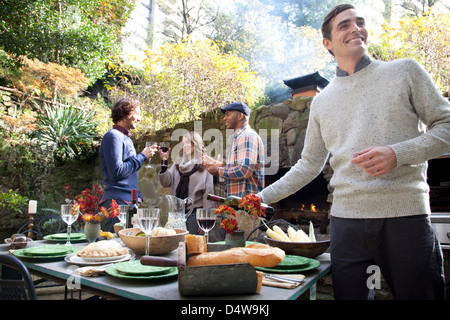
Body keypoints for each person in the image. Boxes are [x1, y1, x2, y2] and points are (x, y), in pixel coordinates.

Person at [257, 4, 450, 300]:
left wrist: (398, 153)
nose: (355, 29)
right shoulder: (322, 102)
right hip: (347, 226)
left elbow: (446, 127)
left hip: (406, 219)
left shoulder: (406, 71)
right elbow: (308, 165)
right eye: (344, 25)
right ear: (328, 43)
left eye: (359, 22)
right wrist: (259, 199)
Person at [99, 97, 157, 232]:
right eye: (137, 113)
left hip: (128, 203)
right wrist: (142, 156)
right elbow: (116, 172)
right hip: (117, 204)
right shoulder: (113, 136)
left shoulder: (127, 139)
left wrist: (137, 196)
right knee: (115, 249)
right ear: (126, 113)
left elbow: (128, 175)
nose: (139, 118)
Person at [202, 101, 265, 197]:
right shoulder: (237, 138)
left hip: (246, 206)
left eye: (228, 114)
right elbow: (239, 169)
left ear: (240, 116)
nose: (224, 118)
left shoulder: (247, 136)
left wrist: (218, 170)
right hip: (238, 205)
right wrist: (221, 166)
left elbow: (244, 170)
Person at [158, 131, 215, 235]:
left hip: (195, 216)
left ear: (196, 144)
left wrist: (206, 218)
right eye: (183, 143)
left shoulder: (204, 165)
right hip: (177, 216)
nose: (185, 146)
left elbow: (208, 193)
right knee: (177, 247)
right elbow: (165, 182)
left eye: (188, 142)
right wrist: (164, 162)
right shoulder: (178, 164)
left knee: (192, 248)